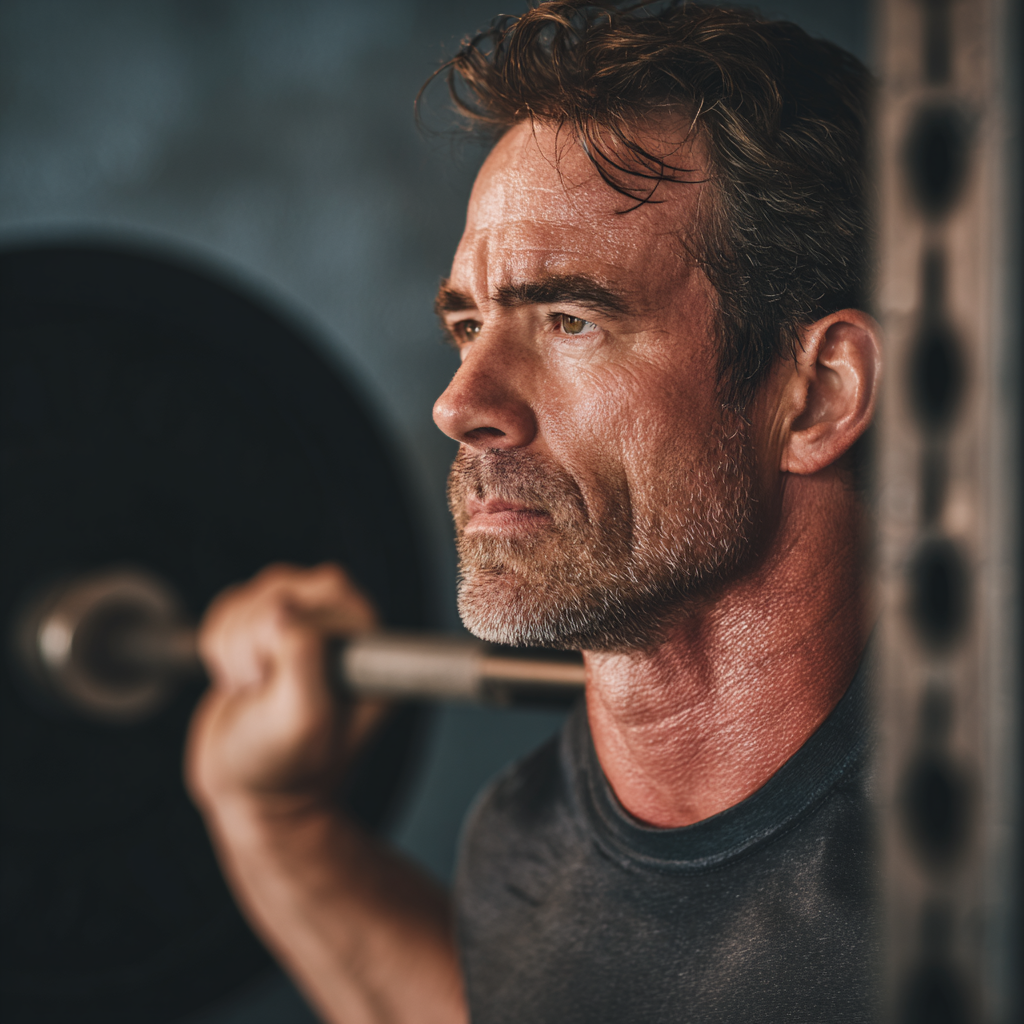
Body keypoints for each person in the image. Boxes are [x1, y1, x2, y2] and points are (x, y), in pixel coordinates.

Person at [185, 3, 881, 1022]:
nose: (460, 403)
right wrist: (271, 814)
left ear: (816, 393)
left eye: (569, 318)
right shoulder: (523, 843)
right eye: (467, 324)